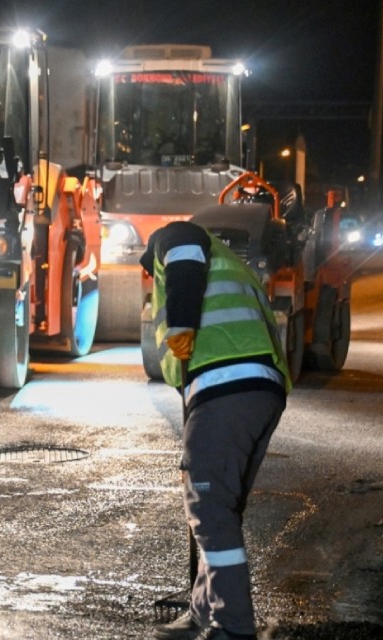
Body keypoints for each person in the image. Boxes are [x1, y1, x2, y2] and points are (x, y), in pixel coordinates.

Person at [140, 220, 292, 640]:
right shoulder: (228, 264)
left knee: (208, 506)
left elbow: (184, 254)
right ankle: (203, 612)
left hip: (227, 385)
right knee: (220, 507)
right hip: (258, 388)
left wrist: (180, 325)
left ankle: (234, 627)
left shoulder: (175, 236)